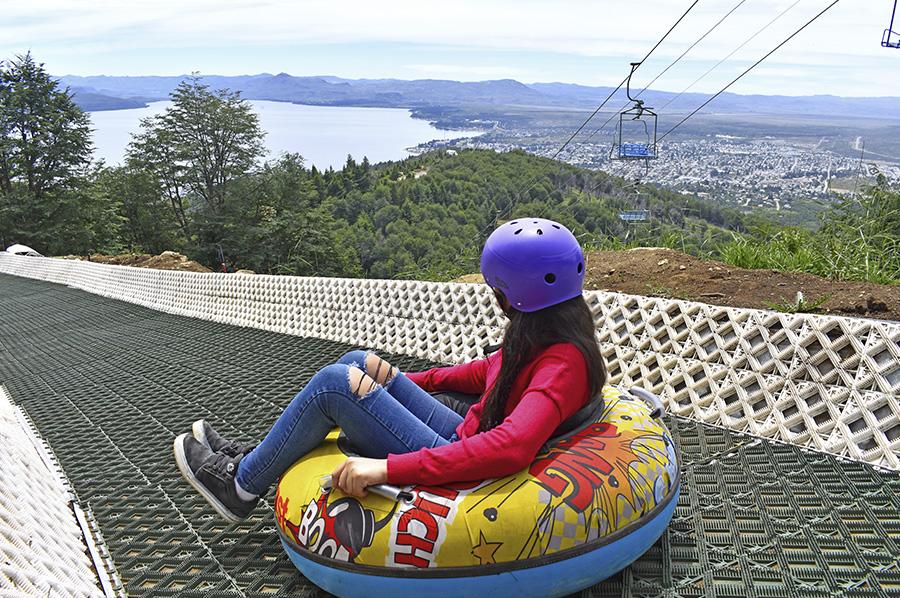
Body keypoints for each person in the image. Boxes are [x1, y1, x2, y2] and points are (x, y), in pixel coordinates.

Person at [173, 218, 607, 522]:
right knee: (357, 362)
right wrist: (395, 382)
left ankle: (241, 486)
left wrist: (386, 469)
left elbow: (511, 448)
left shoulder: (562, 364)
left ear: (512, 294)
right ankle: (258, 457)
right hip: (466, 431)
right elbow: (485, 373)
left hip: (465, 453)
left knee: (333, 386)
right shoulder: (545, 329)